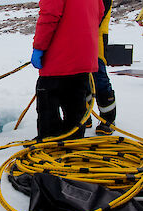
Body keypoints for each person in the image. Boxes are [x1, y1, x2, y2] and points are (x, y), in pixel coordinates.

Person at [31, 0, 105, 140]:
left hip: (59, 59)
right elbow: (99, 13)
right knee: (76, 107)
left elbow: (49, 16)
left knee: (48, 105)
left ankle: (50, 143)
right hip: (83, 57)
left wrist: (39, 47)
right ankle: (73, 143)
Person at [86, 0, 116, 135]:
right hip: (80, 38)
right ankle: (84, 116)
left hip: (96, 37)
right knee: (81, 77)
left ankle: (108, 119)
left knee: (99, 77)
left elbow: (97, 14)